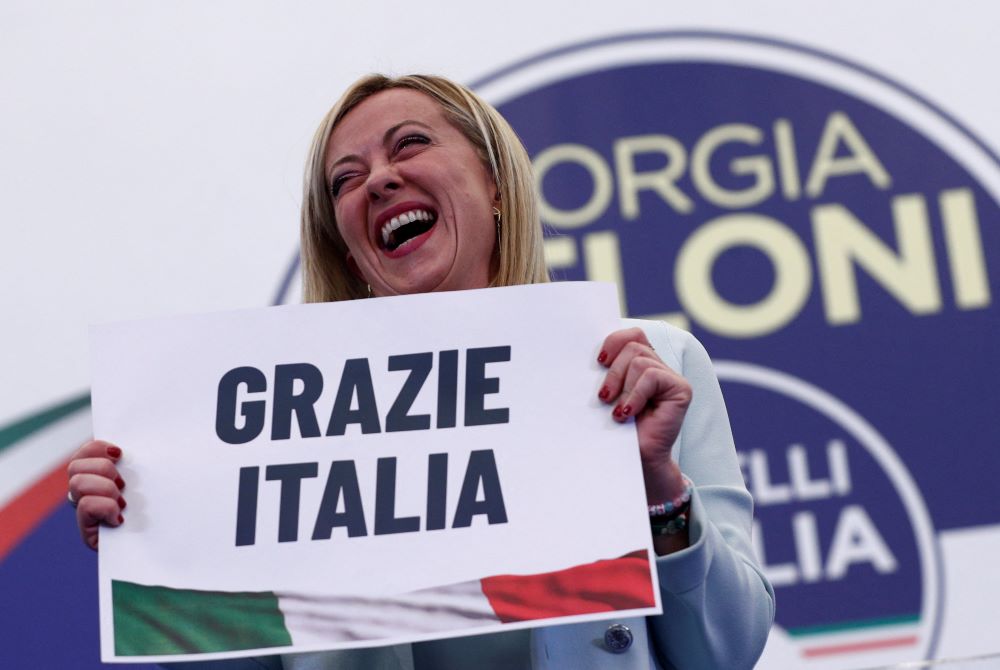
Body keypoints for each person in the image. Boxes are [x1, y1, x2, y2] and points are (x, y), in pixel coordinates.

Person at [68, 74, 774, 670]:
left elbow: (728, 649)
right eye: (346, 179)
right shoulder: (279, 431)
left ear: (495, 183)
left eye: (410, 144)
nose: (378, 179)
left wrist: (658, 488)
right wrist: (160, 548)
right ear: (350, 252)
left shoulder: (647, 366)